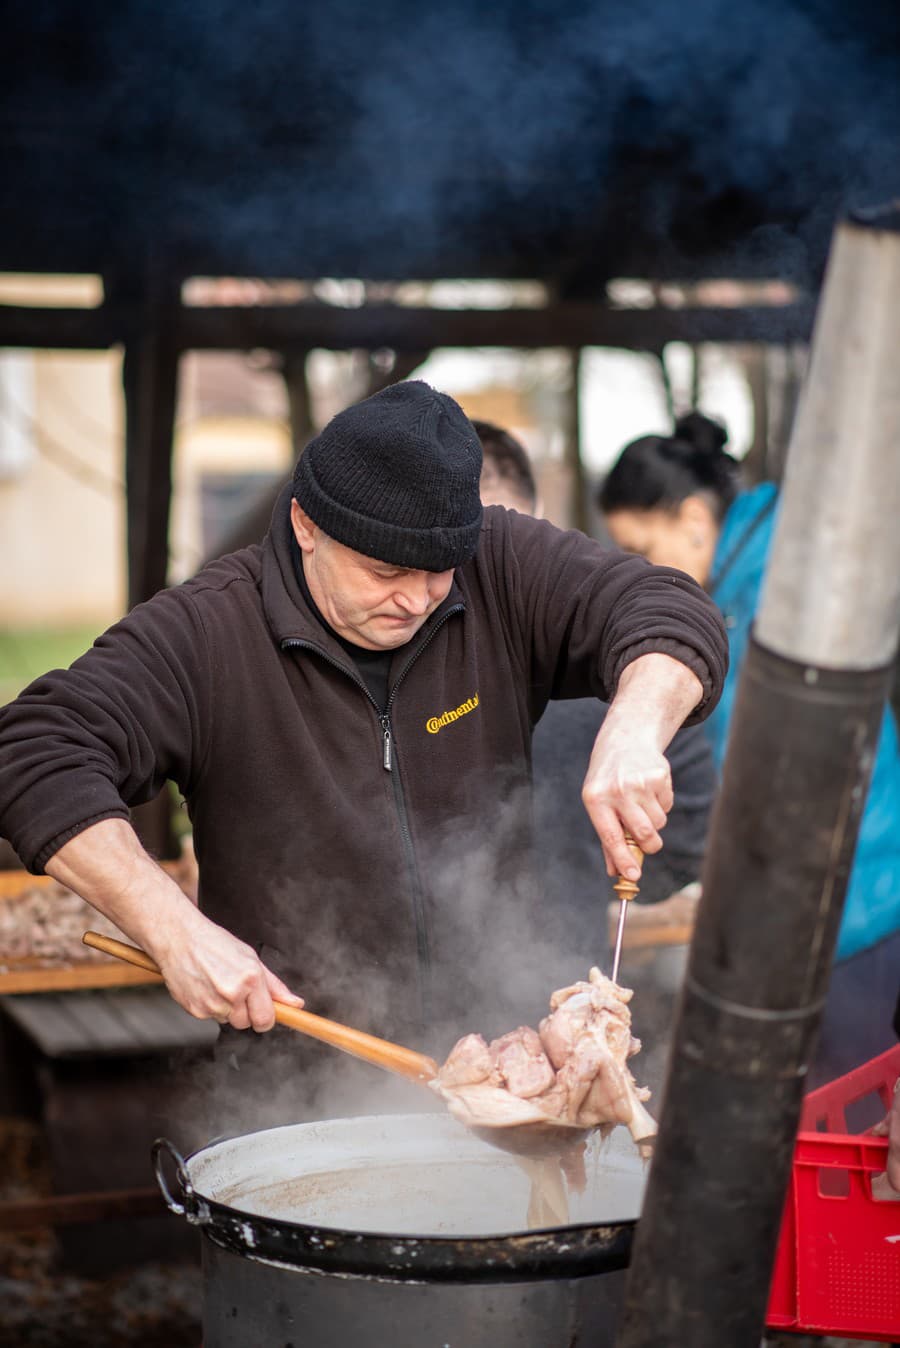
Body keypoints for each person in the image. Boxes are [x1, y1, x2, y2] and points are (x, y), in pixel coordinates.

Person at [0, 383, 727, 1078]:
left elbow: (669, 608)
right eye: (384, 571)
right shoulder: (209, 631)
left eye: (439, 570)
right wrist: (170, 927)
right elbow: (33, 750)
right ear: (306, 525)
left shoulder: (498, 565)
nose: (415, 599)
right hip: (304, 1078)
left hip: (505, 1062)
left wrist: (633, 727)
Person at [598, 410, 900, 1083]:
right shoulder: (742, 580)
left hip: (859, 898)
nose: (642, 573)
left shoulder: (782, 586)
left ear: (695, 521)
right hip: (826, 895)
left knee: (852, 1112)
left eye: (644, 548)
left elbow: (789, 769)